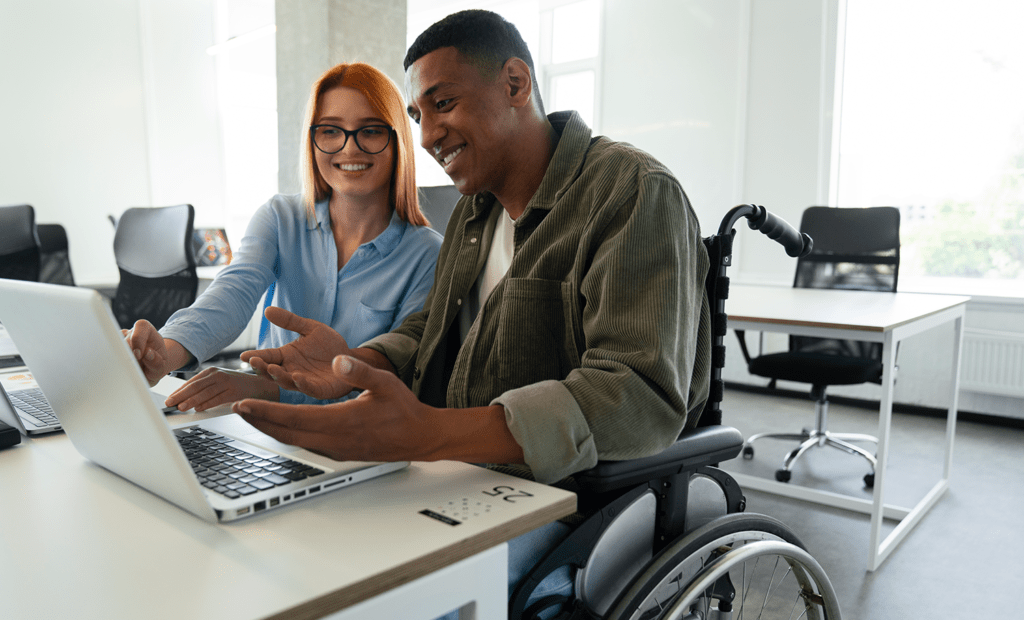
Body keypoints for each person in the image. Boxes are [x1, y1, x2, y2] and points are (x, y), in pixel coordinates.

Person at [233, 9, 711, 616]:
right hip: (463, 475)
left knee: (388, 601)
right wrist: (355, 361)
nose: (428, 134)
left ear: (516, 85)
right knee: (303, 556)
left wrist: (431, 436)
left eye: (444, 103)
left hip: (569, 499)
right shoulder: (473, 213)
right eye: (418, 115)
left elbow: (635, 394)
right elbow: (426, 334)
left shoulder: (631, 190)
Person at [124, 62, 442, 412]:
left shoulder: (427, 255)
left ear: (397, 141)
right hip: (268, 432)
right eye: (331, 131)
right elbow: (232, 295)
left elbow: (398, 379)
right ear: (313, 140)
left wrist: (268, 390)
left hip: (358, 439)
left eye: (370, 131)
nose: (350, 148)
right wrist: (162, 354)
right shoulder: (280, 218)